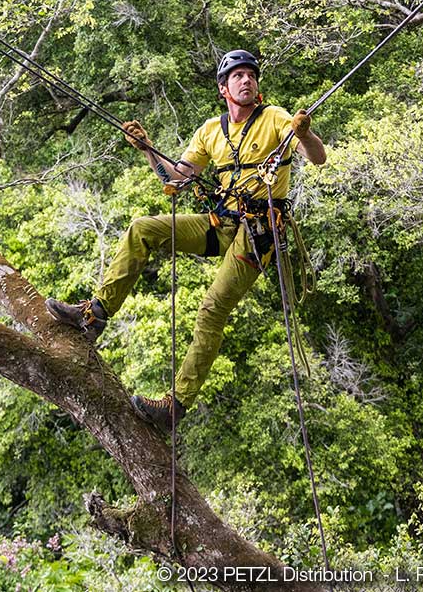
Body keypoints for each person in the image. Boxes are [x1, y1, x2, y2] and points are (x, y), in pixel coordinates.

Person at [45, 49, 327, 431]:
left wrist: (305, 133)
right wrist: (147, 149)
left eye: (251, 75)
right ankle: (94, 314)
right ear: (223, 88)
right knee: (143, 228)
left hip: (258, 232)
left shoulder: (276, 119)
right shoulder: (211, 130)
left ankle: (175, 406)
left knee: (211, 310)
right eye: (238, 76)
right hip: (222, 223)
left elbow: (317, 157)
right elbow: (174, 180)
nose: (246, 81)